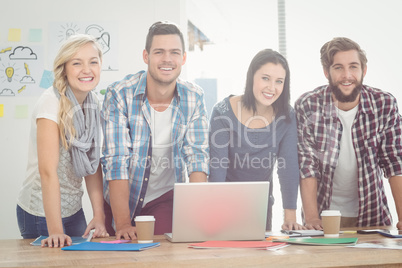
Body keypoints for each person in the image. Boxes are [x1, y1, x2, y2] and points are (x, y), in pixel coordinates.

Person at [101, 21, 209, 239]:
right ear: (146, 56)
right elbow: (116, 160)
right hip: (120, 198)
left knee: (162, 256)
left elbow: (197, 157)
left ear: (183, 58)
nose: (167, 59)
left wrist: (198, 218)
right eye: (159, 52)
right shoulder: (119, 94)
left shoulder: (194, 97)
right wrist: (121, 223)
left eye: (174, 52)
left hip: (163, 199)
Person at [295, 37, 402, 230]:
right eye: (338, 68)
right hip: (323, 219)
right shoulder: (308, 105)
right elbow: (306, 165)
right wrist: (311, 218)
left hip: (373, 216)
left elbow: (395, 163)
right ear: (326, 72)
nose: (347, 75)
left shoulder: (384, 104)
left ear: (364, 70)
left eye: (353, 67)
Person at [16, 34, 109, 247]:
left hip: (73, 209)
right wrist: (55, 231)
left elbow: (92, 165)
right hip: (40, 212)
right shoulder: (51, 103)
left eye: (93, 62)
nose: (87, 70)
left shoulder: (93, 102)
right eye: (77, 63)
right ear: (64, 68)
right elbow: (48, 172)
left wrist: (99, 215)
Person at [209, 49, 304, 231]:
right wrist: (215, 211)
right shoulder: (222, 112)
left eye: (279, 81)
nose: (271, 88)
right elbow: (218, 167)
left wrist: (290, 214)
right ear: (252, 76)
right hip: (223, 204)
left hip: (260, 206)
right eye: (265, 78)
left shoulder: (287, 116)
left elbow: (288, 166)